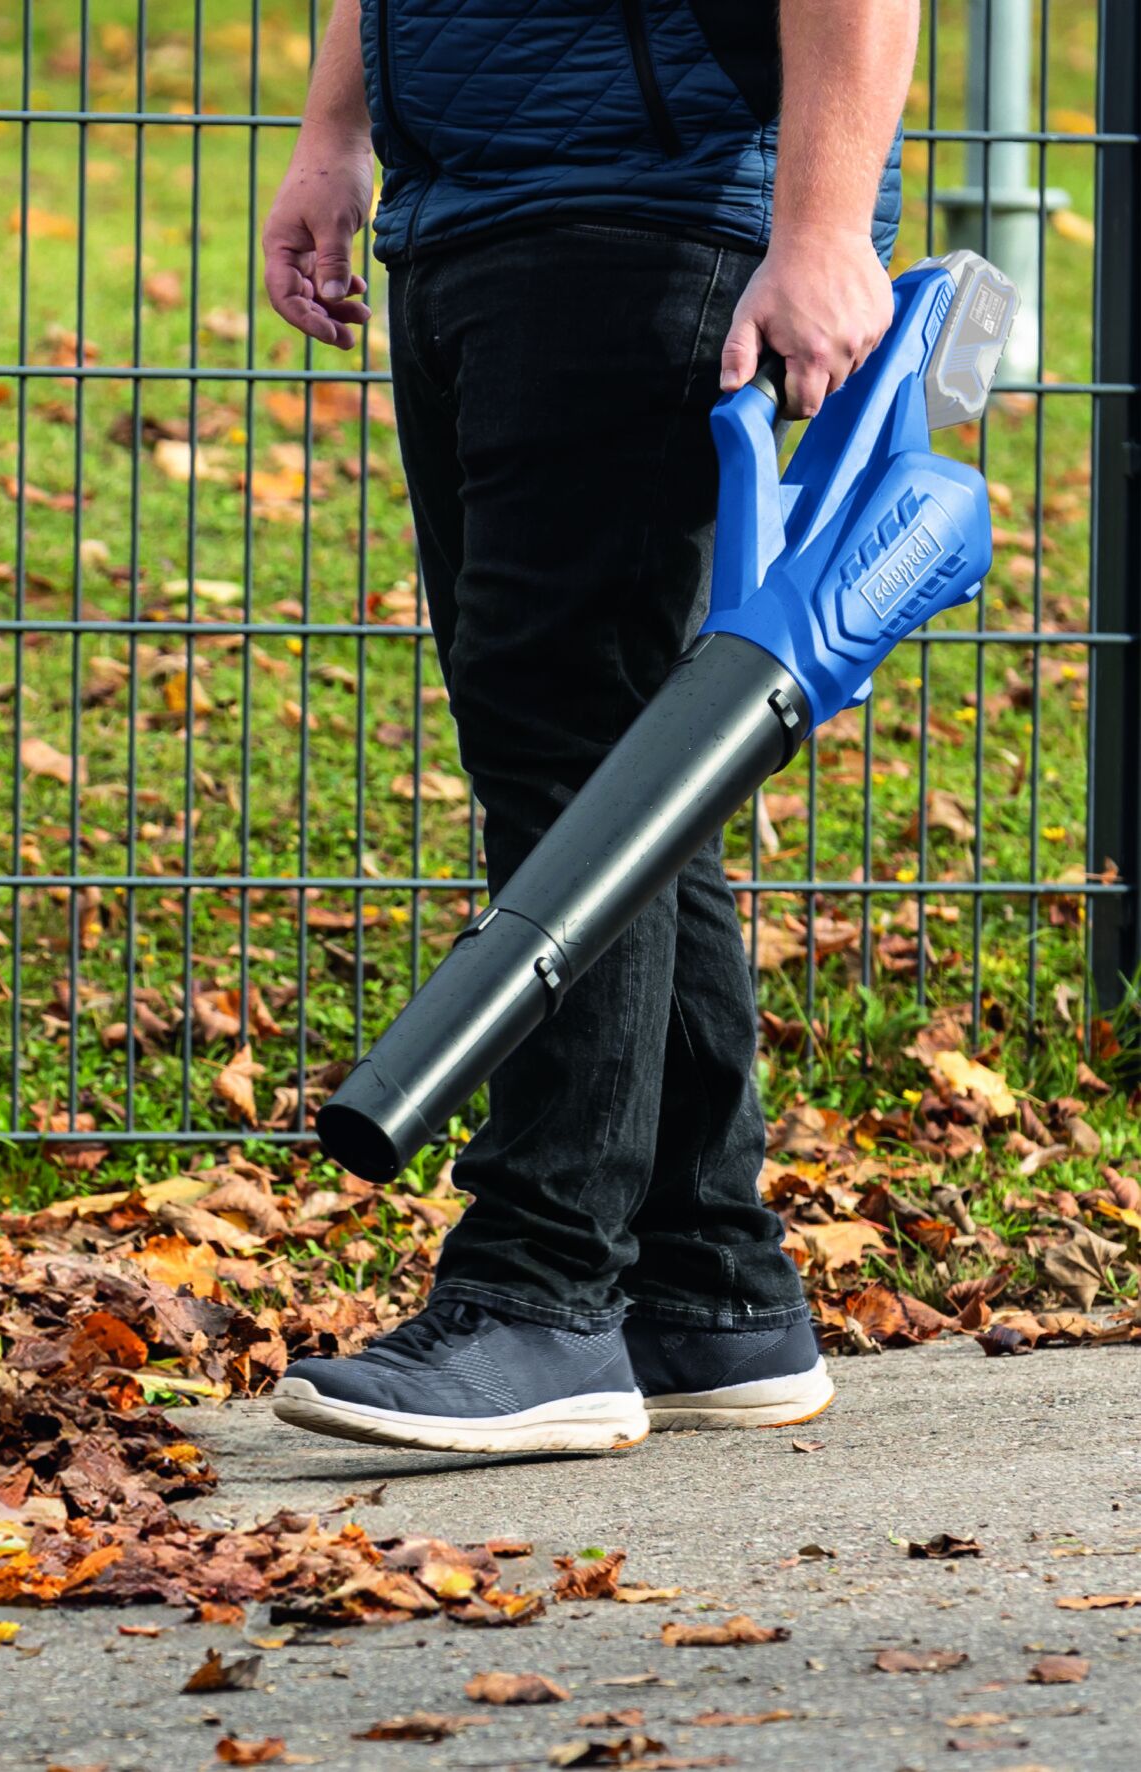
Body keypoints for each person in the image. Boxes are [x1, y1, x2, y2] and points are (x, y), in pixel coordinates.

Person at [261, 1, 917, 1454]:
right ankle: (706, 1288)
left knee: (578, 773)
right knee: (618, 766)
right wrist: (333, 134)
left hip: (648, 216)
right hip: (475, 217)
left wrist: (819, 227)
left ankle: (541, 1295)